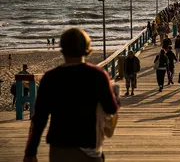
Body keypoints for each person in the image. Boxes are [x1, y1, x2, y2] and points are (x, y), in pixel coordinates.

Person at [23, 28, 119, 162]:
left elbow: (39, 118)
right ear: (87, 48)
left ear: (62, 49)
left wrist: (30, 152)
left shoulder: (51, 77)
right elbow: (111, 108)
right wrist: (115, 98)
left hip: (60, 148)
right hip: (89, 146)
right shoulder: (97, 75)